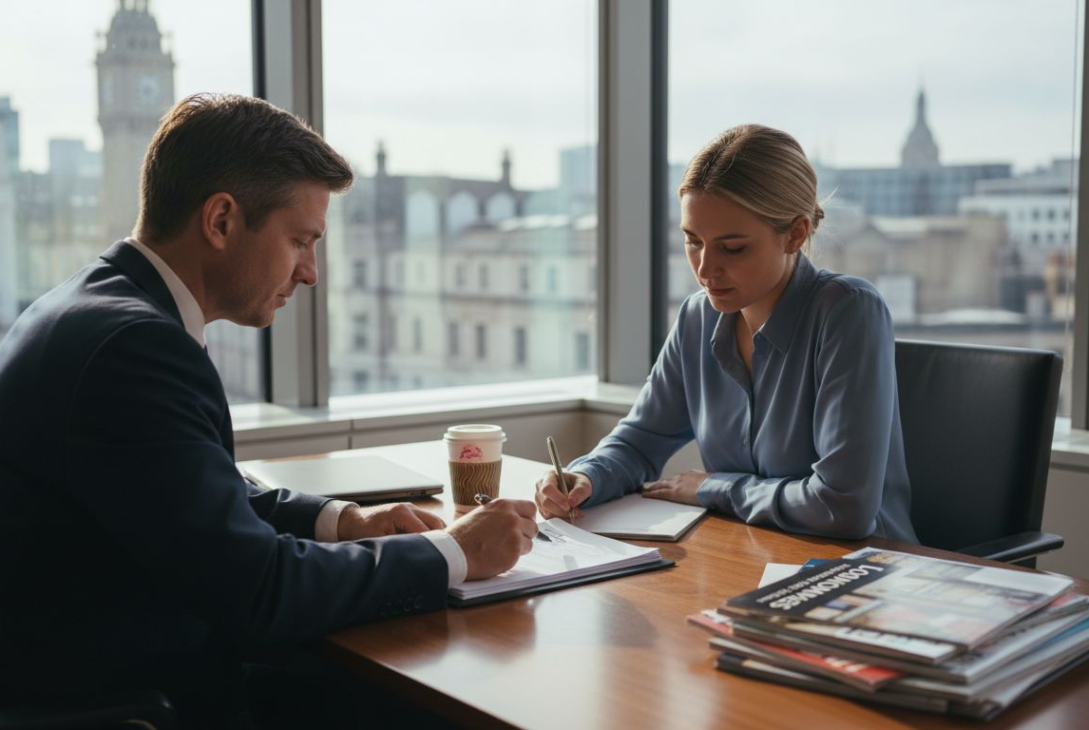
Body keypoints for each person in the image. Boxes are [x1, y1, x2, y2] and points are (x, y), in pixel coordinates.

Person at [0, 93, 538, 728]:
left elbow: (194, 496)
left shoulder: (91, 305)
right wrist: (455, 551)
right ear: (221, 221)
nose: (310, 273)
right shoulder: (137, 348)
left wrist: (344, 522)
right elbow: (260, 589)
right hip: (138, 695)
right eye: (300, 240)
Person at [536, 124, 917, 543]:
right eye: (693, 241)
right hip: (749, 556)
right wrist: (586, 476)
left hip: (867, 564)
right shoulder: (697, 318)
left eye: (732, 248)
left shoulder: (848, 311)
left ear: (795, 234)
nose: (705, 269)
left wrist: (714, 488)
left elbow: (842, 507)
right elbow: (640, 443)